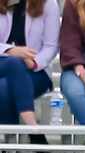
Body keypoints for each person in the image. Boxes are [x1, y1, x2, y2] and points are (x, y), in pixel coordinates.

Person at [0, 0, 59, 145]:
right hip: (3, 63)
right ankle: (33, 128)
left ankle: (10, 150)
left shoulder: (48, 4)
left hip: (34, 71)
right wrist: (11, 50)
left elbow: (51, 46)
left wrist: (35, 62)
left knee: (4, 88)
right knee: (14, 63)